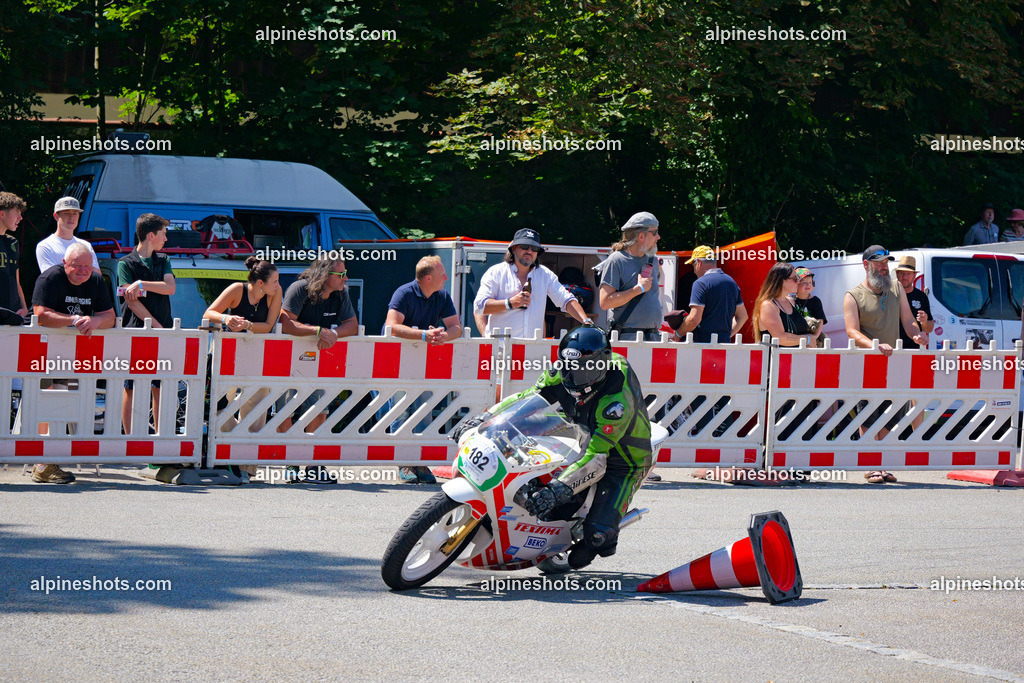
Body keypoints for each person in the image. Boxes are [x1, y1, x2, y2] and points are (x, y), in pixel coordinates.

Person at [451, 325, 652, 570]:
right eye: (567, 366)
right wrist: (485, 419)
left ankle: (595, 536)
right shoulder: (564, 372)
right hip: (578, 429)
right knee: (514, 429)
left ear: (601, 366)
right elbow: (526, 400)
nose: (571, 376)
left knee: (598, 537)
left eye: (581, 370)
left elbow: (596, 459)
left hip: (620, 459)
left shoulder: (615, 404)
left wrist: (556, 491)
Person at [30, 242, 115, 484]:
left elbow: (109, 317)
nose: (83, 271)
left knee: (67, 401)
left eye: (88, 266)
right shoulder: (50, 278)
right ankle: (43, 462)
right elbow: (40, 313)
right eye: (77, 266)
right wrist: (74, 319)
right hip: (42, 352)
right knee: (48, 399)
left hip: (77, 357)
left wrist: (95, 322)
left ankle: (51, 458)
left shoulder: (96, 281)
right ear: (64, 264)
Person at [843, 245, 928, 484]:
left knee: (892, 413)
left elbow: (909, 320)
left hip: (893, 361)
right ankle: (871, 465)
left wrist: (916, 335)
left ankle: (883, 464)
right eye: (878, 262)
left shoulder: (896, 287)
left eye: (886, 262)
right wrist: (874, 345)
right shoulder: (853, 295)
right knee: (869, 414)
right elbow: (852, 331)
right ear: (866, 264)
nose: (884, 267)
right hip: (865, 362)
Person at [383, 255, 463, 483]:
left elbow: (456, 327)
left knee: (424, 411)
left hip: (423, 362)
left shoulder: (442, 295)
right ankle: (405, 463)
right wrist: (425, 335)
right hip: (396, 361)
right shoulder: (404, 292)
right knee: (402, 410)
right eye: (442, 275)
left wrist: (442, 336)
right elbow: (391, 326)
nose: (446, 278)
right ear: (428, 278)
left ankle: (420, 462)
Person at [279, 256, 358, 483]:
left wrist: (332, 334)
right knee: (287, 408)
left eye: (345, 273)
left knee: (320, 408)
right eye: (341, 274)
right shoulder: (299, 289)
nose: (345, 278)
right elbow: (285, 323)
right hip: (289, 360)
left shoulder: (340, 293)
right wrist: (317, 331)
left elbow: (352, 325)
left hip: (319, 361)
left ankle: (314, 464)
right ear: (324, 276)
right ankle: (291, 462)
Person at [203, 256, 282, 483]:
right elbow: (209, 313)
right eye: (274, 281)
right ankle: (232, 453)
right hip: (227, 357)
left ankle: (247, 466)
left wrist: (246, 324)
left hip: (258, 358)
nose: (278, 286)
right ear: (260, 284)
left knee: (257, 409)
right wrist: (227, 317)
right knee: (220, 406)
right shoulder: (237, 289)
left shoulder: (275, 294)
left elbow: (267, 327)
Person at [117, 214, 176, 438]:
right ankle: (130, 438)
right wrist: (155, 325)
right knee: (131, 384)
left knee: (159, 384)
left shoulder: (163, 260)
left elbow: (170, 288)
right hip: (137, 332)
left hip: (163, 331)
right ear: (151, 235)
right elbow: (131, 301)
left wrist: (141, 283)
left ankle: (159, 435)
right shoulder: (125, 263)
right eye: (163, 234)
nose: (166, 239)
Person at [473, 229, 592, 337]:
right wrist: (510, 303)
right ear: (513, 248)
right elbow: (479, 306)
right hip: (501, 348)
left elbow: (566, 300)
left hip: (532, 350)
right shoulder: (496, 272)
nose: (529, 251)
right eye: (525, 246)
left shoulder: (545, 274)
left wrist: (586, 321)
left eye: (534, 248)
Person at [597, 212, 663, 341]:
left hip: (653, 337)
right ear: (641, 236)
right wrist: (638, 289)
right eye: (654, 232)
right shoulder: (616, 260)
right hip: (628, 338)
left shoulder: (652, 260)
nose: (658, 237)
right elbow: (605, 302)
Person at [674, 245, 748, 343]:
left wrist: (678, 333)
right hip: (724, 345)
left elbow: (694, 319)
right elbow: (743, 316)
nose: (694, 271)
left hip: (703, 346)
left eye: (693, 265)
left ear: (699, 262)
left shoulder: (700, 283)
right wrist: (726, 335)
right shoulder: (731, 282)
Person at [752, 263, 823, 347]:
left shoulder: (791, 301)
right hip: (775, 359)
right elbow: (780, 338)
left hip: (795, 358)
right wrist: (807, 339)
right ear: (781, 280)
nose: (798, 282)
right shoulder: (768, 306)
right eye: (795, 279)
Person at [35, 197, 100, 275]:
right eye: (66, 213)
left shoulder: (86, 245)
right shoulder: (45, 246)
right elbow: (52, 279)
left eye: (75, 213)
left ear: (78, 216)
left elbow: (97, 277)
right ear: (56, 216)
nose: (72, 217)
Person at [0, 192, 29, 320]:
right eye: (17, 213)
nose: (21, 218)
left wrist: (24, 307)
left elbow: (16, 280)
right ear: (2, 214)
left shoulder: (13, 242)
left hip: (13, 313)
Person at [894, 256, 933, 350]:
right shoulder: (889, 293)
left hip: (913, 348)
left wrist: (924, 322)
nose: (905, 277)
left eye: (908, 273)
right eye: (902, 273)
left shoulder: (921, 296)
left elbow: (929, 329)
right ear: (897, 274)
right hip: (891, 347)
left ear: (914, 275)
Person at [792, 267, 827, 342]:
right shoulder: (791, 301)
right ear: (796, 284)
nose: (808, 285)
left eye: (810, 282)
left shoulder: (815, 301)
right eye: (804, 282)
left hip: (812, 337)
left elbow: (820, 320)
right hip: (796, 337)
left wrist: (815, 337)